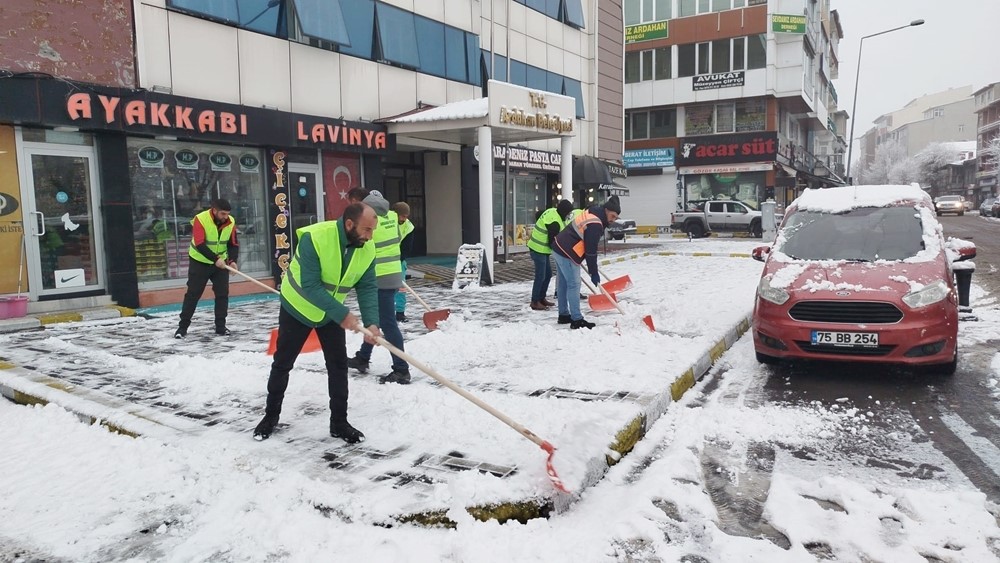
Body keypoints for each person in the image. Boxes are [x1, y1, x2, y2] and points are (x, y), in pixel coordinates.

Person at [253, 202, 382, 443]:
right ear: (349, 224)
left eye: (372, 230)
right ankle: (270, 417)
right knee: (283, 363)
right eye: (366, 230)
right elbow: (310, 285)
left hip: (329, 313)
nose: (369, 236)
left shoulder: (367, 247)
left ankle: (339, 423)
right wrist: (343, 314)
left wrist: (372, 323)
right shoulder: (315, 238)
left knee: (338, 366)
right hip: (298, 307)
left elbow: (367, 287)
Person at [346, 192, 411, 384]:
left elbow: (361, 245)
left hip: (379, 277)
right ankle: (363, 358)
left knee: (388, 322)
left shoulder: (372, 224)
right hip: (393, 274)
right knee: (377, 319)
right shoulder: (392, 217)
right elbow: (408, 228)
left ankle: (401, 369)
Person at [551, 195, 621, 330]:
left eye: (616, 218)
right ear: (606, 210)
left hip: (559, 246)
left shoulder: (593, 211)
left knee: (564, 283)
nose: (613, 220)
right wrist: (593, 272)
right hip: (567, 252)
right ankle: (576, 319)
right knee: (574, 285)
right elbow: (590, 251)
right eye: (612, 216)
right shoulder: (595, 224)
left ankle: (564, 314)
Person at [174, 198, 239, 338]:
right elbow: (199, 243)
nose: (225, 217)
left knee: (222, 294)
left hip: (221, 263)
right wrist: (216, 259)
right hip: (200, 262)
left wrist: (232, 261)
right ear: (214, 210)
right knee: (193, 294)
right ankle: (182, 328)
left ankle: (221, 327)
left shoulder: (231, 221)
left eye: (227, 214)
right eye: (223, 214)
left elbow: (233, 244)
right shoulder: (201, 219)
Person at [526, 199, 574, 310]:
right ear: (563, 211)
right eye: (568, 213)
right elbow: (553, 242)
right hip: (538, 249)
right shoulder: (554, 223)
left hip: (542, 250)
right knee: (540, 276)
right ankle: (534, 301)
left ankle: (541, 298)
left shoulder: (554, 212)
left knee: (547, 275)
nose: (569, 215)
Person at [392, 201, 414, 322]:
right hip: (382, 261)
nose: (404, 219)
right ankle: (384, 313)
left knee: (401, 288)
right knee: (384, 289)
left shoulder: (408, 227)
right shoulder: (386, 223)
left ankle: (400, 313)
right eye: (402, 216)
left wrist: (399, 259)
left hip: (399, 260)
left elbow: (407, 247)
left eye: (406, 216)